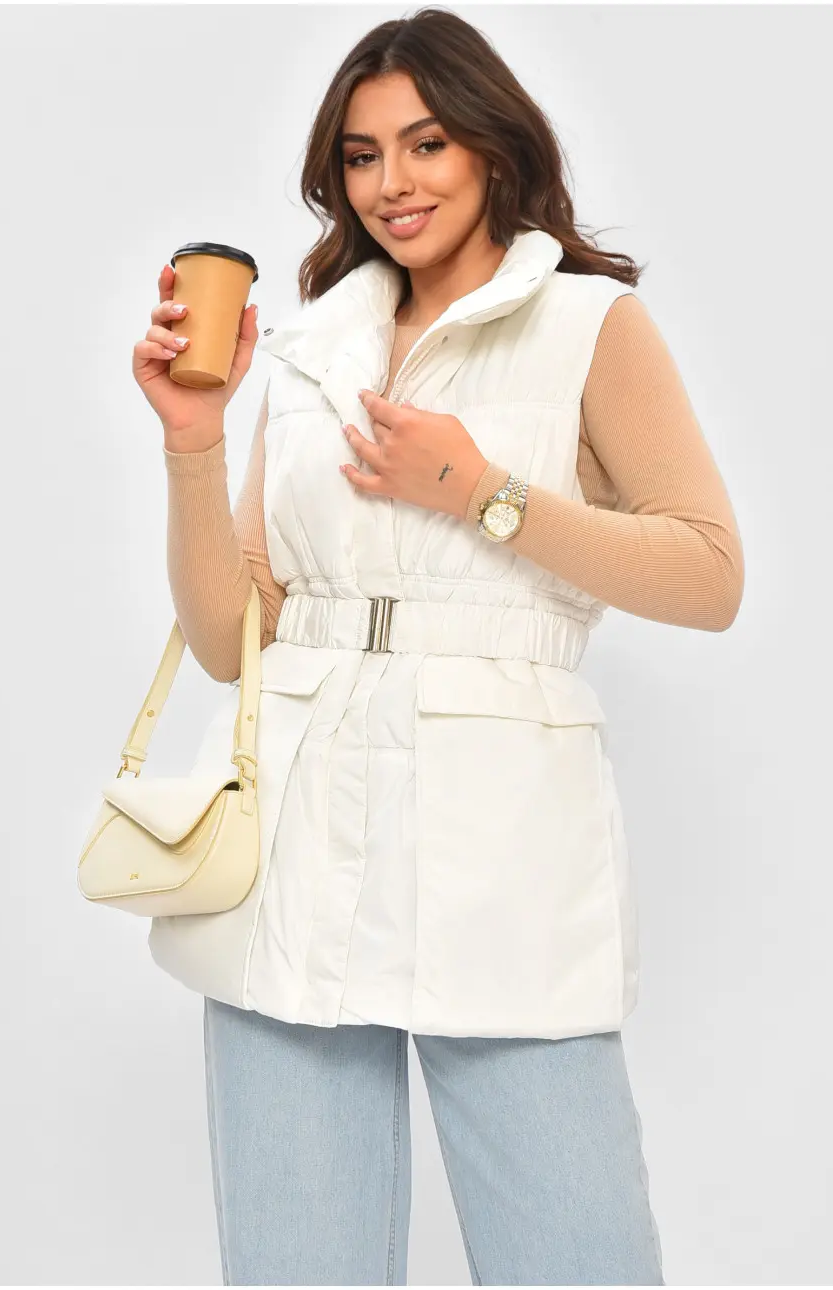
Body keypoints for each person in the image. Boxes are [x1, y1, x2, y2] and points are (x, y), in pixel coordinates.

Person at [132, 9, 743, 1285]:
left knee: (578, 1260)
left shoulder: (588, 326)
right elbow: (232, 644)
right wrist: (196, 435)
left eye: (426, 144)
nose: (393, 184)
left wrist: (479, 491)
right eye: (361, 157)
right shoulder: (311, 348)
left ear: (492, 145)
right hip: (296, 846)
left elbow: (708, 574)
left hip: (502, 856)